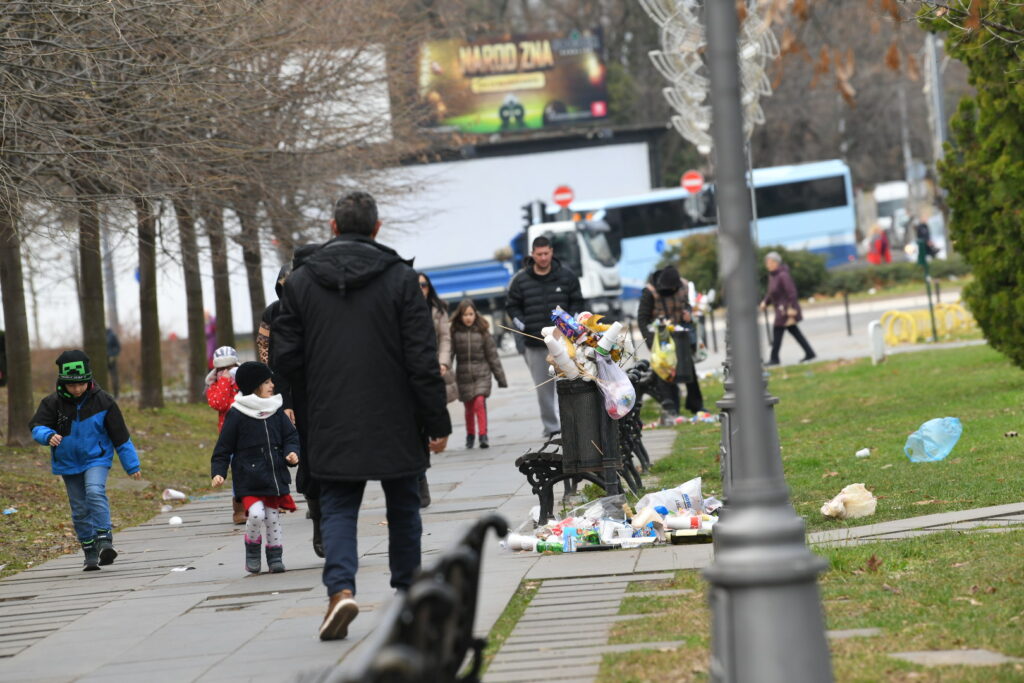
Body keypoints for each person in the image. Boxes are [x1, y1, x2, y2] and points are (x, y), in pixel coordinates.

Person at [272, 191, 451, 642]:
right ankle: (409, 597)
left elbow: (284, 357)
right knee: (404, 505)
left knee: (336, 506)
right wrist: (436, 421)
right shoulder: (401, 278)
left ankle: (340, 592)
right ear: (377, 227)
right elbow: (421, 356)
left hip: (330, 414)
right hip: (396, 413)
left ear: (333, 227)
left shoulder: (301, 283)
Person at [29, 350, 141, 571]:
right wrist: (48, 435)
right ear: (63, 383)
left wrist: (132, 464)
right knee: (79, 508)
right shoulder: (52, 404)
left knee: (94, 491)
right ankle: (89, 549)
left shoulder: (104, 401)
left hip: (96, 458)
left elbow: (120, 435)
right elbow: (36, 426)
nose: (78, 389)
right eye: (72, 386)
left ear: (89, 380)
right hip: (68, 463)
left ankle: (104, 539)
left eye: (81, 384)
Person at [258, 248, 325, 555]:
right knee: (308, 454)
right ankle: (319, 514)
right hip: (295, 393)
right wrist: (280, 400)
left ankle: (334, 515)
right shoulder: (275, 314)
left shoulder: (325, 306)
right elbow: (273, 360)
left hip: (329, 389)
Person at [211, 362, 300, 574]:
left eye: (271, 381)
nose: (272, 385)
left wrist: (292, 453)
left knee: (272, 517)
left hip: (273, 476)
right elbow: (223, 447)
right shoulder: (238, 413)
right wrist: (218, 472)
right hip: (249, 479)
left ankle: (275, 556)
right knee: (257, 515)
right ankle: (252, 548)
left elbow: (291, 436)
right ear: (254, 386)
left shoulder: (275, 409)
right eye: (267, 382)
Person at [505, 235, 583, 438]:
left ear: (552, 252)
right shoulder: (520, 280)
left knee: (570, 382)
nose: (543, 257)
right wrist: (524, 325)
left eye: (546, 253)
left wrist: (570, 326)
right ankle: (552, 428)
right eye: (539, 254)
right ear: (532, 254)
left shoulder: (567, 276)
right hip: (535, 342)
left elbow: (577, 301)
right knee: (544, 387)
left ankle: (575, 423)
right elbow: (512, 306)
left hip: (565, 341)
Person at [637, 265, 704, 420]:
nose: (672, 290)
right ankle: (671, 407)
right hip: (660, 338)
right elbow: (642, 319)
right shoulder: (649, 292)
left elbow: (687, 305)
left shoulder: (685, 286)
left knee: (688, 370)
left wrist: (688, 314)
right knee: (665, 374)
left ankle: (696, 405)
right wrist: (650, 341)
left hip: (680, 336)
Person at [416, 271, 457, 508]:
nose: (421, 288)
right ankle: (420, 480)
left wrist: (442, 362)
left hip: (433, 366)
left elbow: (445, 339)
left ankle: (438, 435)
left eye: (424, 285)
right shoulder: (403, 309)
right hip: (414, 371)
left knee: (433, 411)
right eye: (417, 285)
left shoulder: (437, 309)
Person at [450, 299, 508, 449]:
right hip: (463, 376)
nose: (468, 317)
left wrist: (500, 378)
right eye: (464, 314)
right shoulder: (455, 333)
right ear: (460, 316)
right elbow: (448, 355)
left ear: (475, 314)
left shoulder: (483, 333)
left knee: (479, 403)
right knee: (469, 408)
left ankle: (483, 435)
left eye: (470, 314)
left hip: (482, 373)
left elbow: (493, 357)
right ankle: (470, 435)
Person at [205, 345, 245, 524]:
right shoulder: (214, 387)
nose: (227, 372)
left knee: (248, 468)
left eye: (230, 368)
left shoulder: (243, 384)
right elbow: (219, 403)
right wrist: (224, 382)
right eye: (222, 369)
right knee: (236, 468)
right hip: (228, 436)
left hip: (247, 432)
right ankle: (239, 507)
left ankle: (257, 501)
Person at [760, 251, 816, 366]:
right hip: (781, 310)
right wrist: (765, 302)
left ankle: (774, 358)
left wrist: (792, 307)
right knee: (794, 331)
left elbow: (792, 293)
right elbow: (771, 293)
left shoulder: (783, 275)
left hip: (786, 310)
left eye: (769, 262)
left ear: (776, 263)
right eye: (767, 262)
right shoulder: (773, 276)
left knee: (777, 331)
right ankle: (809, 353)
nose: (767, 265)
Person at [105, 328, 121, 398]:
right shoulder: (98, 335)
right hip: (102, 359)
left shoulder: (112, 335)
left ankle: (116, 395)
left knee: (114, 377)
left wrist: (113, 355)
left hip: (111, 359)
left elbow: (118, 347)